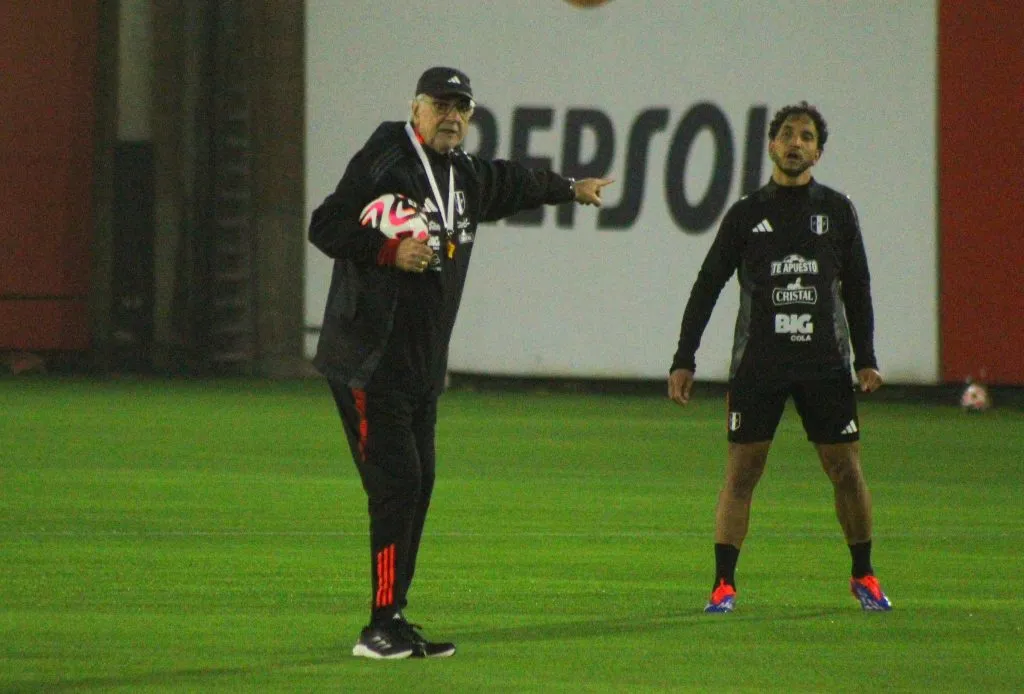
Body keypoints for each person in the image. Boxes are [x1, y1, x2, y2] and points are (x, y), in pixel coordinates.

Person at [309, 66, 613, 659]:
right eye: (440, 105)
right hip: (369, 361)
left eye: (461, 108)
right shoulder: (387, 155)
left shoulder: (463, 173)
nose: (451, 116)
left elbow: (513, 181)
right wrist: (389, 250)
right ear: (415, 108)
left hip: (421, 367)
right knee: (397, 483)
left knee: (418, 485)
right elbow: (327, 224)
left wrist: (570, 187)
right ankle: (378, 626)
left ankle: (393, 616)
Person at [667, 101, 892, 614]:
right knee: (742, 472)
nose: (796, 143)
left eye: (807, 136)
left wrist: (866, 357)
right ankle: (723, 585)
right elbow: (707, 285)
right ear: (771, 145)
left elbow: (857, 286)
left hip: (824, 363)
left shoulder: (837, 211)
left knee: (846, 470)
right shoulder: (747, 214)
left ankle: (864, 574)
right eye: (787, 133)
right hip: (760, 363)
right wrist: (684, 358)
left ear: (818, 152)